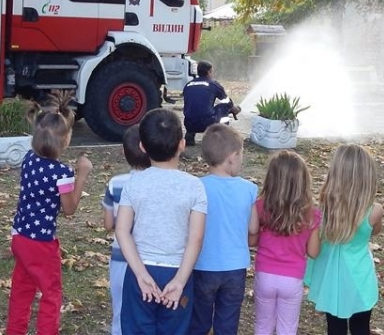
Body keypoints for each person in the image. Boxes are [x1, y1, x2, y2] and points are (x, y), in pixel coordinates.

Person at [6, 90, 93, 335]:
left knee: (22, 289)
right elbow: (69, 209)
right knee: (51, 293)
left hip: (20, 237)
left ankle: (15, 330)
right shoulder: (62, 173)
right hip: (41, 244)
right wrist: (82, 175)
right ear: (66, 141)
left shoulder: (28, 159)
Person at [115, 108, 208, 334]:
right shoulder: (195, 186)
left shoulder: (134, 184)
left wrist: (140, 274)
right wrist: (180, 281)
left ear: (143, 147)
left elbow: (122, 231)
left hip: (140, 272)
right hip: (178, 272)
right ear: (182, 144)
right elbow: (195, 239)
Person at [306, 144, 384, 335]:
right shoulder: (374, 210)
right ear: (367, 177)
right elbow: (375, 232)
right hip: (359, 277)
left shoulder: (325, 207)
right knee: (361, 326)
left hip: (331, 278)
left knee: (335, 327)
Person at [189, 123, 258, 335]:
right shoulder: (248, 189)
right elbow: (254, 228)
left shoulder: (196, 186)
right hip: (234, 268)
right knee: (227, 322)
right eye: (241, 155)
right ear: (232, 156)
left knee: (198, 319)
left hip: (202, 265)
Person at [252, 150, 321, 335]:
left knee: (263, 325)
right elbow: (314, 252)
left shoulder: (260, 206)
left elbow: (253, 238)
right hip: (292, 279)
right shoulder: (312, 214)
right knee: (287, 328)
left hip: (265, 274)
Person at [101, 124, 151, 335]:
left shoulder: (116, 184)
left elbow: (108, 224)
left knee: (120, 310)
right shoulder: (161, 183)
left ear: (123, 152)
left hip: (121, 258)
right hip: (150, 257)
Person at [182, 60, 241, 146]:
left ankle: (190, 136)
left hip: (189, 124)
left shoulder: (188, 85)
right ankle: (222, 137)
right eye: (212, 71)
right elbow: (227, 102)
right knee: (224, 107)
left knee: (193, 109)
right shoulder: (213, 84)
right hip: (207, 124)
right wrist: (235, 109)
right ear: (209, 72)